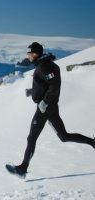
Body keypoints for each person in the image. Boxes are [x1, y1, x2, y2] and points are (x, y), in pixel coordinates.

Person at [6, 42, 95, 178]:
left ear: (36, 54)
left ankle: (23, 169)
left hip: (45, 108)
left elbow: (54, 86)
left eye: (30, 54)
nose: (28, 56)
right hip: (50, 106)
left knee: (32, 138)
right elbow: (46, 84)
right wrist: (33, 91)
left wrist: (44, 102)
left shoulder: (45, 67)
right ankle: (93, 142)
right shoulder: (43, 65)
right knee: (64, 136)